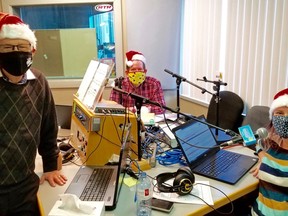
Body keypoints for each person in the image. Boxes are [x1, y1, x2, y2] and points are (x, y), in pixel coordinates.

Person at [0, 12, 67, 215]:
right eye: (7, 47)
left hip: (25, 188)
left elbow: (48, 128)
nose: (16, 53)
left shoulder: (39, 81)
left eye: (22, 47)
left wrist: (50, 167)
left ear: (33, 50)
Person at [250, 88, 288, 216]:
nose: (285, 119)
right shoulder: (273, 143)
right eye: (279, 113)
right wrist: (263, 157)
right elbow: (259, 144)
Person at [110, 50, 166, 114]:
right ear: (127, 73)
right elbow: (113, 110)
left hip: (148, 121)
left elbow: (162, 108)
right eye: (133, 69)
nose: (136, 72)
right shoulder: (118, 85)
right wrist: (132, 110)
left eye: (140, 69)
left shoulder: (154, 84)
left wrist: (146, 109)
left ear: (145, 71)